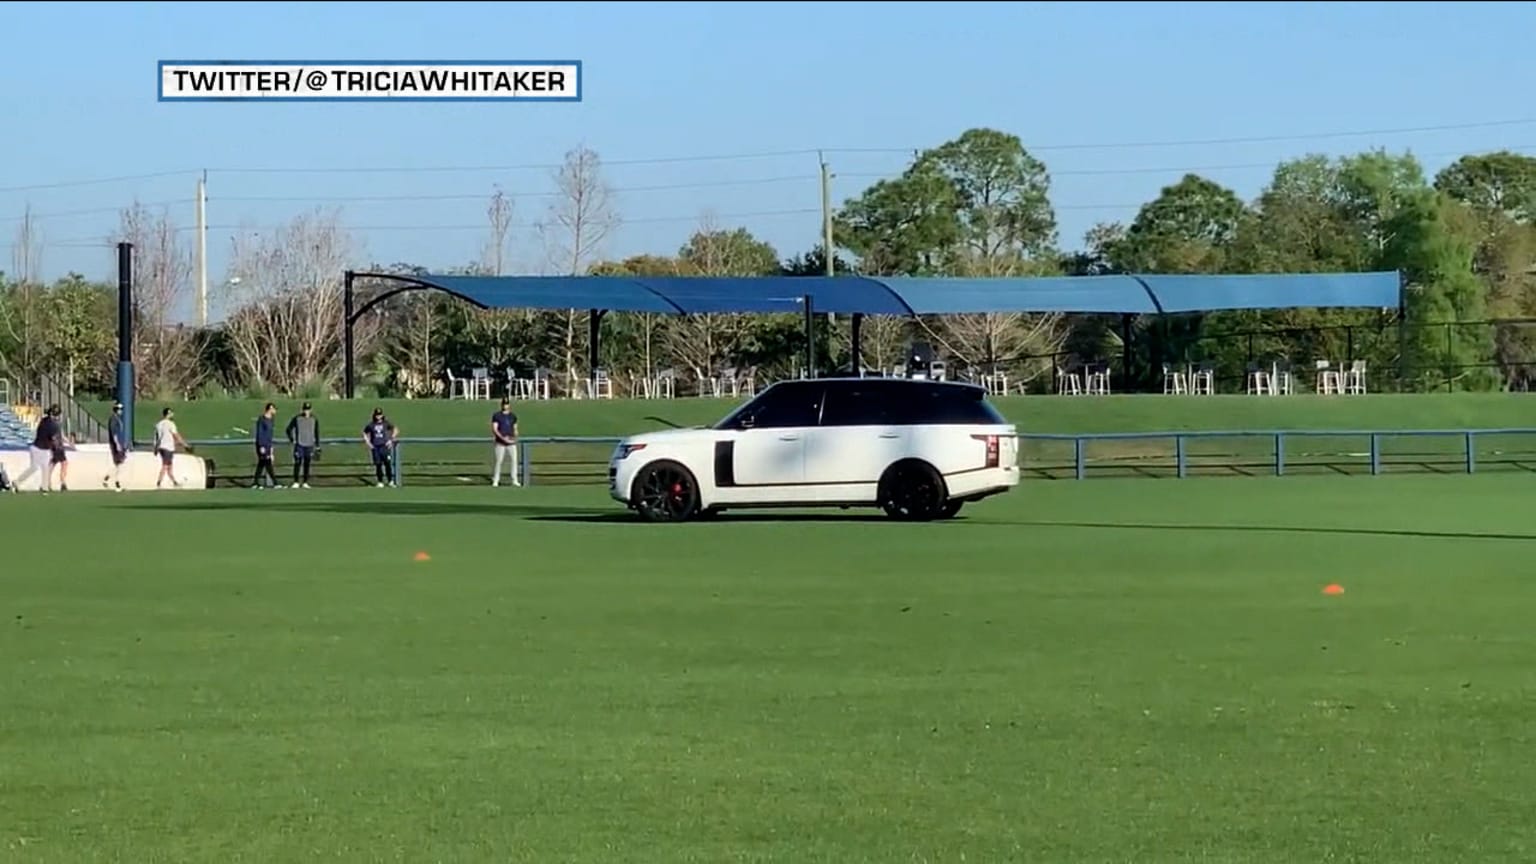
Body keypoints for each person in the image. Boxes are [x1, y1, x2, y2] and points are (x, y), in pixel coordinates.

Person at [12, 405, 64, 493]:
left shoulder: (44, 420)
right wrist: (58, 448)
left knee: (44, 468)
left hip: (39, 447)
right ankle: (18, 482)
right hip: (40, 448)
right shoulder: (52, 425)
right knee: (37, 468)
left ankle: (44, 487)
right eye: (56, 415)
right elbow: (54, 439)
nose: (57, 417)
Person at [285, 402, 320, 489]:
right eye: (305, 409)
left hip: (309, 444)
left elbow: (316, 432)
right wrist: (292, 439)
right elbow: (288, 429)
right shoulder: (297, 418)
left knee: (307, 463)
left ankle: (305, 482)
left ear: (311, 410)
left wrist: (317, 445)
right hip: (299, 444)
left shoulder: (314, 419)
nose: (306, 411)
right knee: (298, 462)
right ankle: (296, 481)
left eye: (308, 410)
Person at [362, 407, 398, 488]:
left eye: (380, 414)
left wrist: (391, 439)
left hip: (384, 446)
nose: (378, 416)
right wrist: (368, 442)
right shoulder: (371, 425)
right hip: (376, 447)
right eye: (377, 415)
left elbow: (395, 429)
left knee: (387, 464)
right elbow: (364, 432)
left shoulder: (386, 423)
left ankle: (390, 481)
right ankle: (380, 481)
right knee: (378, 465)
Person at [153, 407, 188, 489]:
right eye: (171, 413)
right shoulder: (170, 424)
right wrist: (184, 444)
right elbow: (176, 435)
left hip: (161, 447)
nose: (173, 414)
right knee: (165, 465)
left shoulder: (159, 424)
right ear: (168, 414)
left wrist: (155, 448)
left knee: (169, 466)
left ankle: (175, 482)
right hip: (168, 447)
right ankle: (159, 482)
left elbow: (156, 437)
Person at [490, 398, 520, 487]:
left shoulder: (513, 416)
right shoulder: (497, 416)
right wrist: (503, 438)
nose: (505, 406)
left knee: (514, 460)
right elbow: (494, 429)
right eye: (504, 404)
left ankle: (514, 479)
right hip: (500, 442)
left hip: (511, 442)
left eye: (506, 404)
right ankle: (496, 480)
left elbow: (515, 428)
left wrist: (515, 436)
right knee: (499, 461)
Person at [252, 402, 278, 489]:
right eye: (273, 409)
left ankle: (255, 483)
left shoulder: (271, 420)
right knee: (267, 463)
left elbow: (270, 435)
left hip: (268, 445)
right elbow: (260, 434)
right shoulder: (262, 420)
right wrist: (261, 446)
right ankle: (275, 483)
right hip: (262, 445)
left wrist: (270, 447)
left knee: (262, 464)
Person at [107, 401, 129, 491]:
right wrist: (117, 444)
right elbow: (114, 433)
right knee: (119, 463)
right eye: (120, 409)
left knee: (119, 464)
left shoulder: (117, 419)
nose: (121, 411)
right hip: (116, 444)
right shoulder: (113, 419)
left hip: (119, 443)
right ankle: (115, 482)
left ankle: (112, 480)